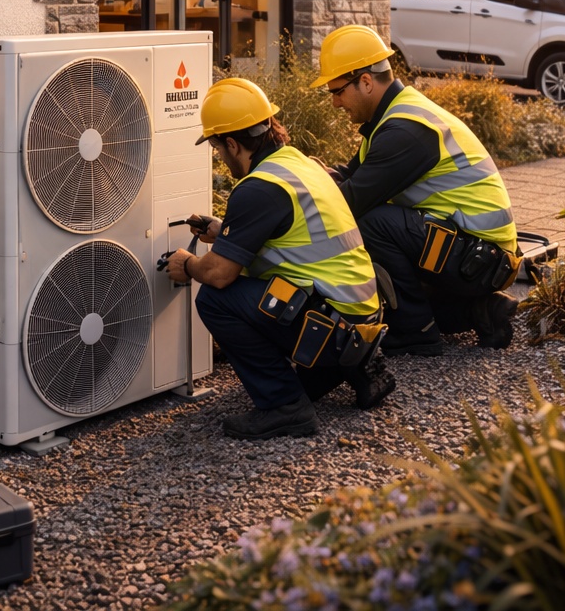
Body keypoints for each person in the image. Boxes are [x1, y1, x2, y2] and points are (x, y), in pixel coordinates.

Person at [164, 79, 395, 440]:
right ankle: (357, 365)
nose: (221, 159)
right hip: (361, 317)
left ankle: (285, 406)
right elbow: (291, 238)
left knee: (214, 299)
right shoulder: (300, 165)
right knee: (273, 302)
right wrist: (225, 231)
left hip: (331, 327)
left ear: (231, 143)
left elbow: (220, 274)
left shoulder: (258, 188)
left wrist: (187, 265)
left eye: (217, 149)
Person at [311, 25, 520, 354]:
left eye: (337, 91)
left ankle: (415, 332)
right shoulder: (396, 118)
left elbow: (350, 203)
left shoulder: (405, 132)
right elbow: (351, 176)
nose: (336, 103)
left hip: (478, 261)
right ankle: (481, 312)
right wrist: (313, 175)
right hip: (474, 255)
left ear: (365, 82)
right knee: (380, 232)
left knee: (371, 222)